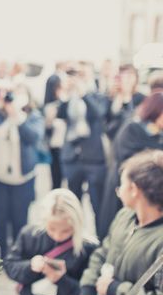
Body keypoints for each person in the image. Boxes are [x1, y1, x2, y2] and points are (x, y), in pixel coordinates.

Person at [79, 150, 163, 295]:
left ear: (134, 190)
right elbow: (103, 252)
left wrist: (115, 289)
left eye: (121, 185)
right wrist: (87, 289)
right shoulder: (125, 216)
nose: (118, 190)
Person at [4, 189, 97, 295]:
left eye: (66, 231)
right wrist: (30, 266)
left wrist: (61, 280)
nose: (58, 236)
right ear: (44, 220)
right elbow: (9, 265)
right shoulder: (30, 235)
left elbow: (88, 294)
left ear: (77, 224)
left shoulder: (88, 249)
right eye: (52, 229)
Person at [0, 83, 44, 257]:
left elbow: (33, 138)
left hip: (22, 179)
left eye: (20, 92)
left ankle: (19, 256)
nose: (15, 97)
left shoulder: (33, 117)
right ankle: (0, 255)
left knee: (20, 219)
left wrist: (17, 115)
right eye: (13, 93)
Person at [97, 92, 163, 239]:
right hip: (127, 186)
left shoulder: (158, 133)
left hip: (149, 195)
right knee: (119, 228)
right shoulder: (133, 128)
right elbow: (129, 160)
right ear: (156, 111)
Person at [57, 64, 109, 229]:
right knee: (73, 205)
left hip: (93, 158)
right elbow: (60, 116)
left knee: (97, 204)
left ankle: (100, 241)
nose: (78, 78)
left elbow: (99, 114)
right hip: (72, 157)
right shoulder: (70, 98)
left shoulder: (99, 96)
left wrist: (84, 94)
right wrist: (66, 95)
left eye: (82, 74)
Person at [105, 64, 146, 141]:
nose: (127, 79)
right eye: (124, 76)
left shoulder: (142, 98)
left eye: (130, 75)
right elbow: (109, 117)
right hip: (114, 139)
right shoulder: (111, 97)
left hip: (134, 140)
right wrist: (120, 95)